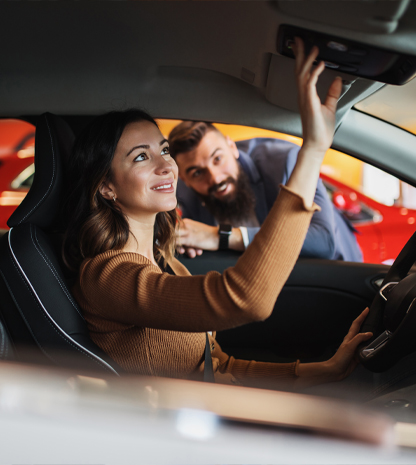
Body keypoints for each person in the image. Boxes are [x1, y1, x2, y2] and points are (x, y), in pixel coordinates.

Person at [63, 39, 372, 390]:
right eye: (140, 157)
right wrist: (313, 150)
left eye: (163, 150)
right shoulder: (107, 276)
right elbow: (246, 299)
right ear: (106, 188)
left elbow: (218, 366)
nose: (166, 165)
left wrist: (325, 370)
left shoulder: (165, 262)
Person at [168, 124, 362, 262]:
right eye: (197, 173)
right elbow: (196, 242)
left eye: (218, 158)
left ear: (232, 147)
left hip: (333, 279)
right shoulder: (184, 192)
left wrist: (220, 236)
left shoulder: (287, 162)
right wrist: (186, 243)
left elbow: (323, 242)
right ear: (185, 179)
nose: (215, 178)